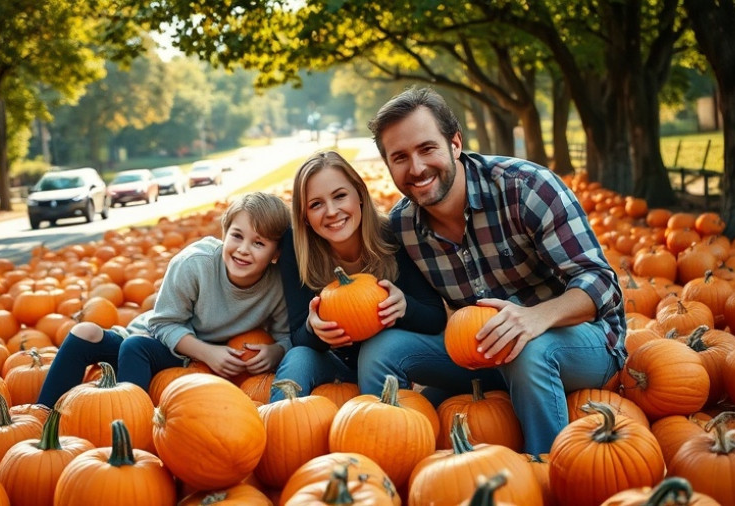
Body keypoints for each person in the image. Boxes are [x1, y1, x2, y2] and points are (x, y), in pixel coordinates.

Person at [367, 86, 627, 454]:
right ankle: (381, 472)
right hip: (484, 352)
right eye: (400, 157)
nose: (417, 167)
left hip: (579, 341)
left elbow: (602, 284)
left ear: (455, 143)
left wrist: (536, 318)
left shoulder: (525, 189)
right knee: (383, 349)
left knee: (526, 348)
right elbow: (417, 311)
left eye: (427, 148)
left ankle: (547, 469)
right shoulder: (403, 227)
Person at [271, 151, 499, 402]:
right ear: (304, 215)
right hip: (334, 364)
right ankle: (279, 431)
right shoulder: (296, 247)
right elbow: (298, 334)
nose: (332, 211)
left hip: (385, 363)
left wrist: (404, 307)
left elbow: (434, 318)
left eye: (340, 196)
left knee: (381, 353)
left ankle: (382, 430)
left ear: (359, 194)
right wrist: (313, 329)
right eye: (316, 204)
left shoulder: (391, 236)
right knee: (297, 359)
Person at [37, 192, 292, 407]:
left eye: (258, 243)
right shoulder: (195, 264)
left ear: (276, 253)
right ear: (225, 234)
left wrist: (276, 351)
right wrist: (207, 353)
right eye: (237, 236)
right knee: (87, 333)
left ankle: (136, 429)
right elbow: (162, 324)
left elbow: (286, 335)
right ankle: (44, 418)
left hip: (195, 364)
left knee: (134, 350)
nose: (243, 249)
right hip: (162, 343)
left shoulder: (279, 284)